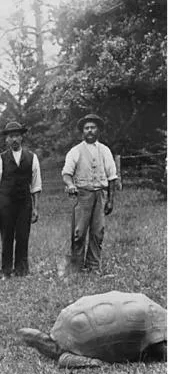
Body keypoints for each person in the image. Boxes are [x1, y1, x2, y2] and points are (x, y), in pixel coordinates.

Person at [62, 113, 118, 274]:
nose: (90, 131)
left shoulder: (105, 150)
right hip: (83, 195)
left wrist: (110, 200)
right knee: (78, 233)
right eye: (87, 128)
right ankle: (76, 267)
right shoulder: (75, 151)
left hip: (100, 195)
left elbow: (112, 177)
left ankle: (93, 267)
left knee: (98, 232)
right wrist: (70, 184)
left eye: (93, 127)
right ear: (83, 131)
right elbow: (66, 173)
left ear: (98, 130)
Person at [0, 122, 42, 279]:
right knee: (7, 236)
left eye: (17, 136)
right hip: (6, 203)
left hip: (24, 203)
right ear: (7, 139)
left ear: (22, 137)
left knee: (23, 236)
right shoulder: (0, 159)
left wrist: (35, 208)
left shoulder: (32, 158)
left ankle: (22, 270)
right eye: (11, 136)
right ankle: (6, 270)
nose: (14, 139)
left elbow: (36, 185)